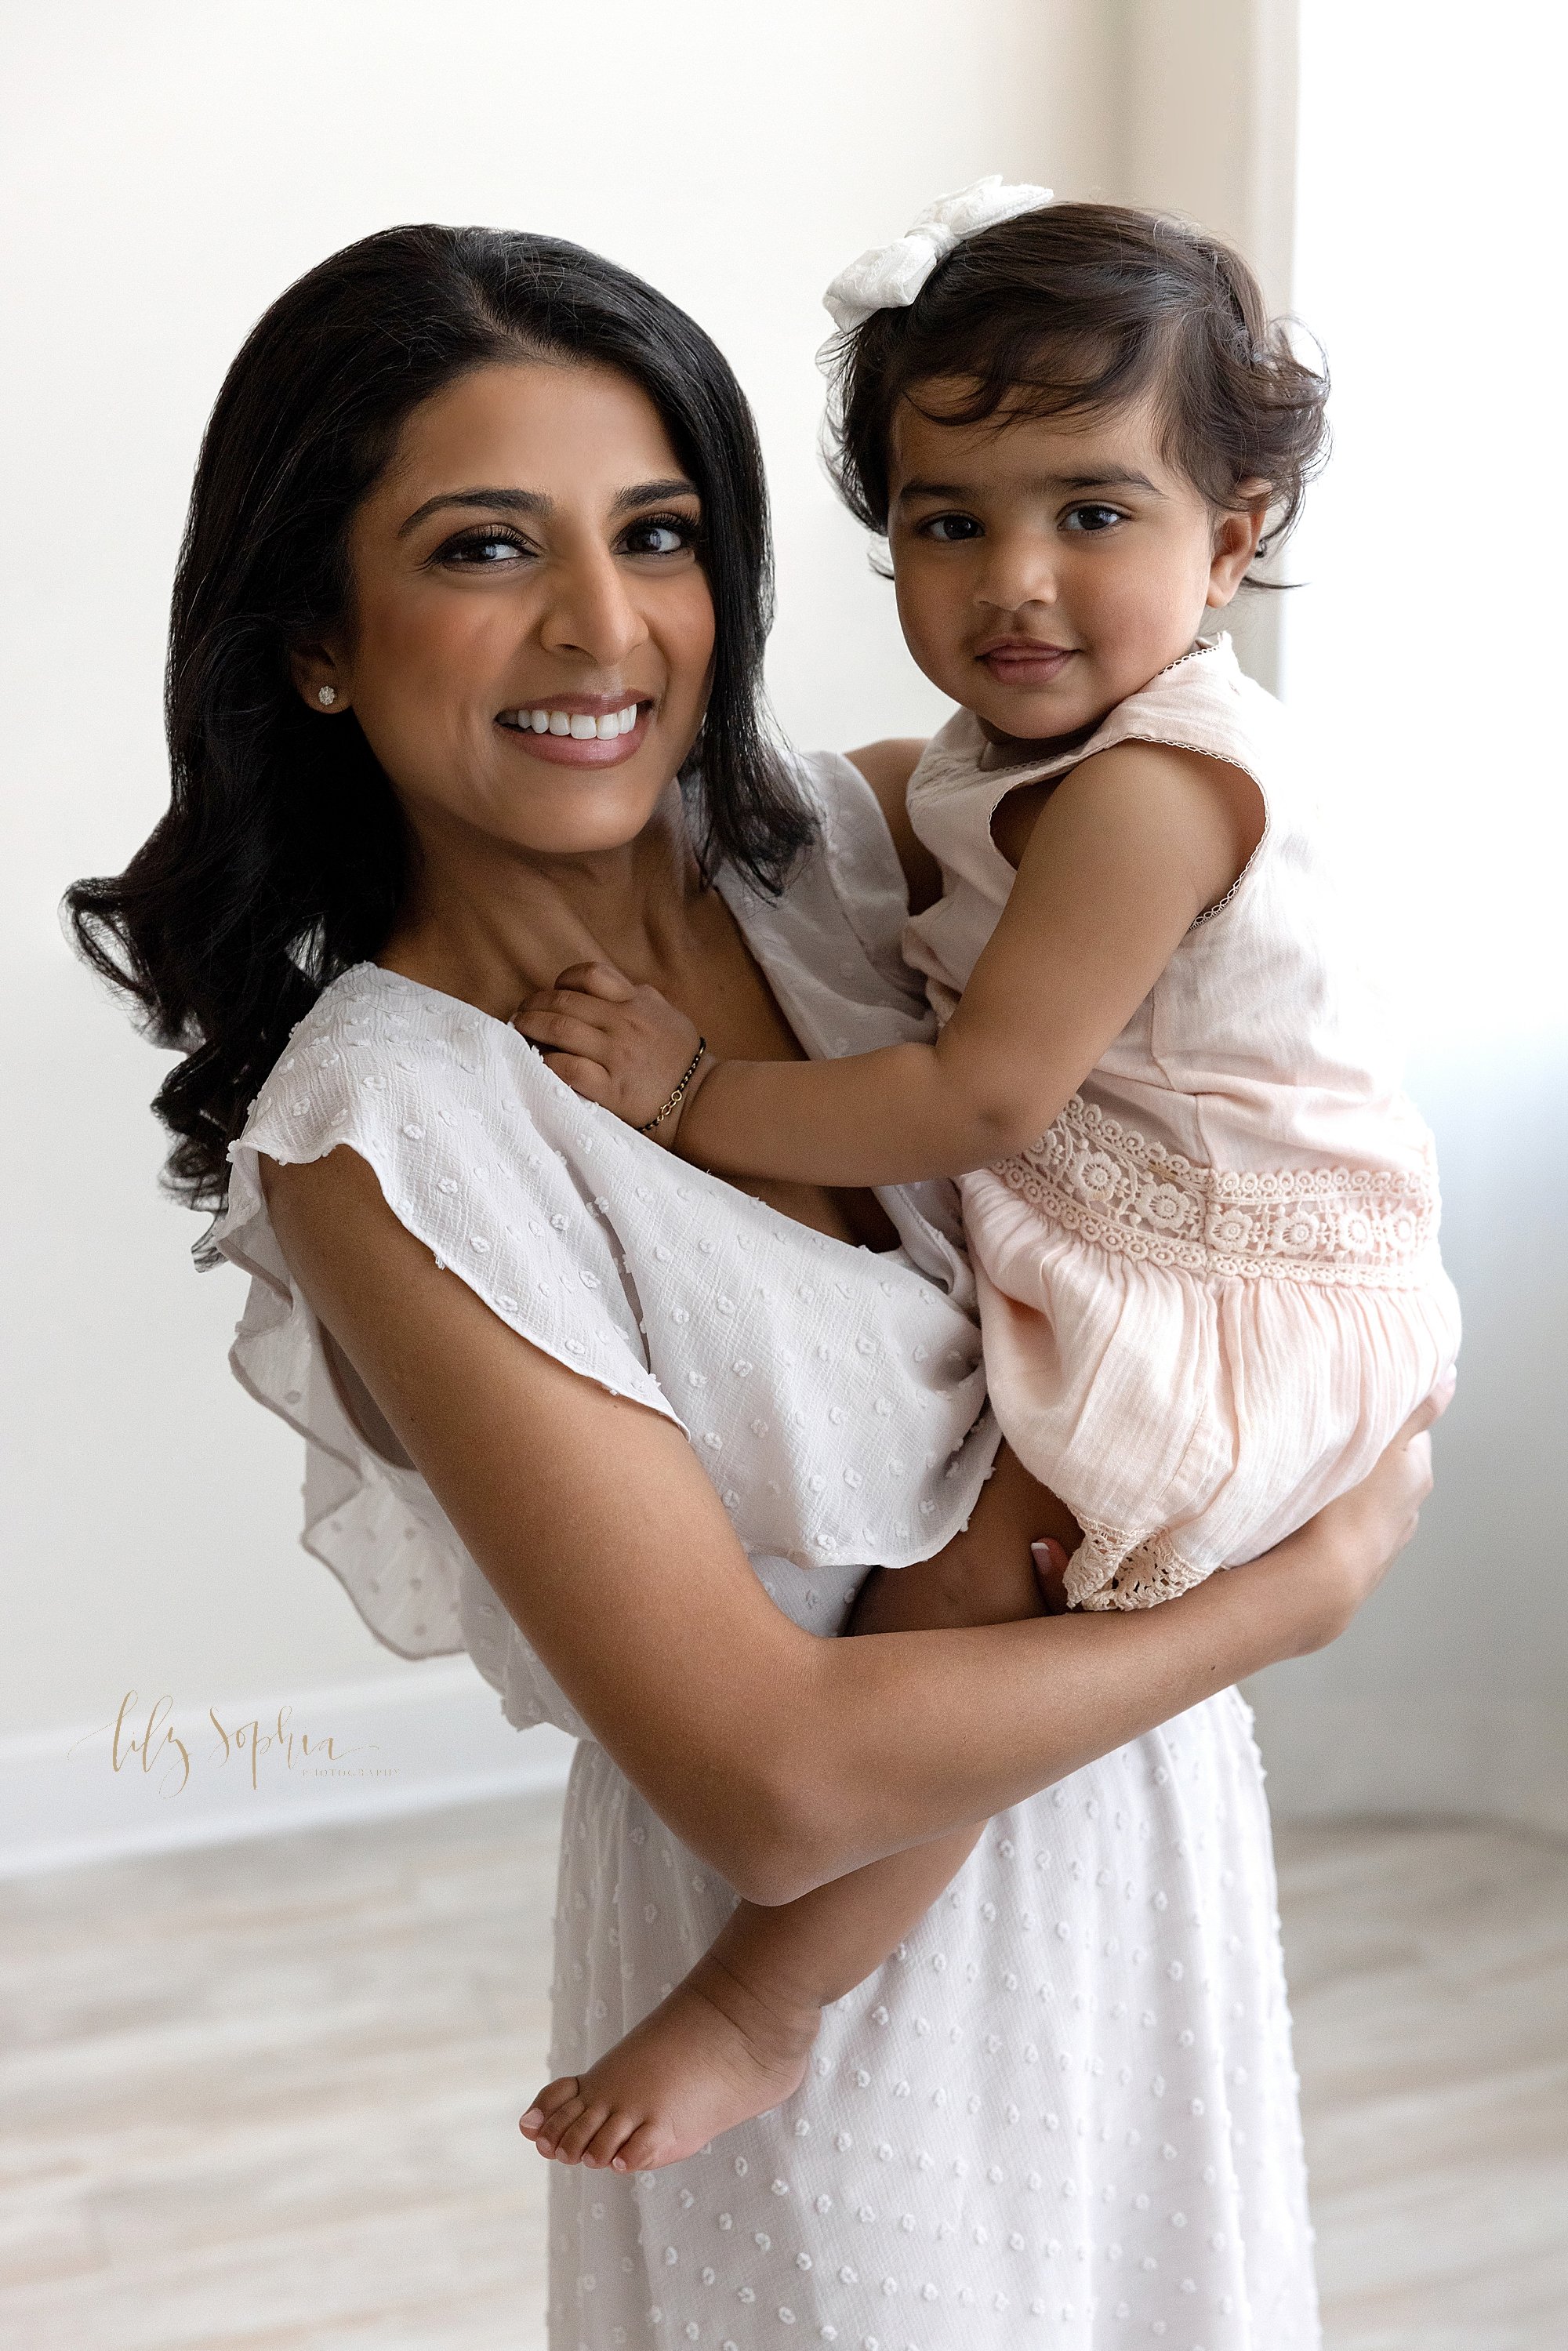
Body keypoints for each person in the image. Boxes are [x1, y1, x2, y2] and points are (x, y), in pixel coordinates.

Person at [66, 222, 1443, 2350]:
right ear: (318, 639)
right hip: (820, 1999)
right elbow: (772, 1780)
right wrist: (1300, 1593)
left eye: (661, 534)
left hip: (1128, 1874)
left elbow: (1210, 949)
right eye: (481, 548)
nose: (601, 627)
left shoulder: (846, 855)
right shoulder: (392, 1130)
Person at [513, 187, 1464, 2182]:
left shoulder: (1148, 784)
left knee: (961, 1589)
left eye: (1091, 513)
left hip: (1240, 1270)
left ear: (1233, 540)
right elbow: (900, 809)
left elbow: (974, 1095)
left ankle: (762, 2004)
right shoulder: (1008, 740)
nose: (1014, 581)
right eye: (950, 521)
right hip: (1143, 1220)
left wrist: (691, 1091)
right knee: (947, 1584)